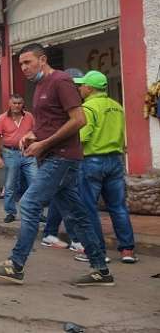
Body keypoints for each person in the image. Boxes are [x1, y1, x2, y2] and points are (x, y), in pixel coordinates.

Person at [0, 43, 115, 287]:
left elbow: (79, 120)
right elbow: (51, 123)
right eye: (20, 63)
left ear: (42, 59)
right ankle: (101, 270)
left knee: (30, 203)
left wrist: (44, 145)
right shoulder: (40, 86)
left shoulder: (61, 81)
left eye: (28, 62)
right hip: (56, 157)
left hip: (62, 157)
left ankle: (16, 264)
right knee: (78, 215)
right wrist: (32, 135)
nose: (23, 67)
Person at [72, 70, 138, 264]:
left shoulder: (87, 108)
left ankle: (97, 251)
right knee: (118, 207)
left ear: (90, 88)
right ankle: (127, 251)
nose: (80, 88)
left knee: (88, 208)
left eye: (82, 85)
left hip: (92, 161)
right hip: (115, 161)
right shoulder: (117, 106)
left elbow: (83, 136)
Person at [41, 68, 85, 251]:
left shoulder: (75, 105)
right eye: (78, 86)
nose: (78, 90)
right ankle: (76, 239)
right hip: (64, 157)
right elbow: (79, 128)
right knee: (67, 201)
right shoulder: (74, 108)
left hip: (67, 157)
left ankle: (51, 234)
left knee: (62, 198)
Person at [0, 94, 37, 223]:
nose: (17, 105)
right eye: (14, 103)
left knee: (35, 182)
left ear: (23, 104)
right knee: (10, 185)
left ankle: (36, 212)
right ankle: (10, 212)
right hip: (10, 154)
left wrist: (32, 139)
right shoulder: (2, 118)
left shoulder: (29, 116)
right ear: (9, 104)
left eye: (19, 103)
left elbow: (36, 131)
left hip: (28, 153)